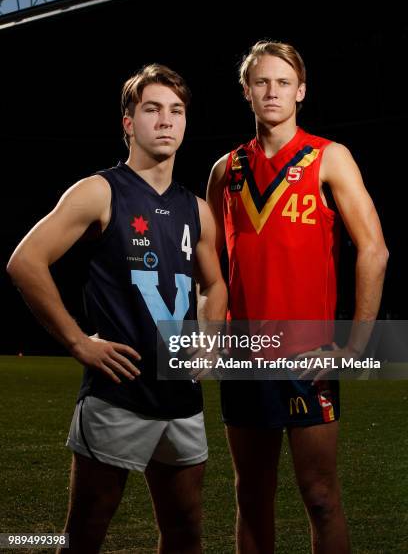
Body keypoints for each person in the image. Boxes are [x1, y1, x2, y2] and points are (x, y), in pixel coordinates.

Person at [7, 63, 227, 554]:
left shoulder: (198, 209)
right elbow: (25, 262)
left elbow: (214, 285)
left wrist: (210, 339)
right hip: (118, 397)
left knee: (185, 531)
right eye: (152, 109)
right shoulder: (100, 191)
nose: (166, 121)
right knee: (86, 534)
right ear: (129, 122)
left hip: (181, 398)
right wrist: (77, 341)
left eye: (176, 111)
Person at [207, 41, 388, 554]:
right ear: (246, 91)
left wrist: (355, 347)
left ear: (301, 91)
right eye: (261, 82)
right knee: (251, 497)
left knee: (322, 496)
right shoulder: (225, 170)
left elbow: (374, 250)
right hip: (244, 359)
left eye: (283, 82)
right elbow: (211, 269)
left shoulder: (329, 157)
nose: (272, 91)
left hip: (309, 356)